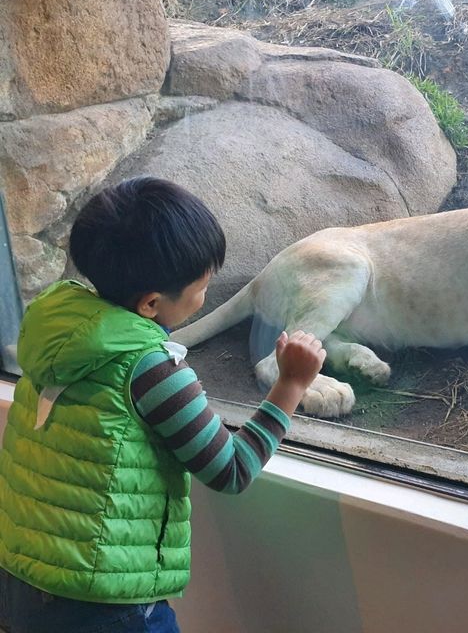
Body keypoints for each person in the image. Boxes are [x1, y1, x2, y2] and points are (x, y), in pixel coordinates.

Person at [0, 177, 326, 633]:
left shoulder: (54, 329)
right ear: (151, 304)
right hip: (104, 603)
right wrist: (291, 383)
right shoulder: (150, 371)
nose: (205, 295)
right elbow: (232, 470)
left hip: (23, 574)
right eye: (201, 286)